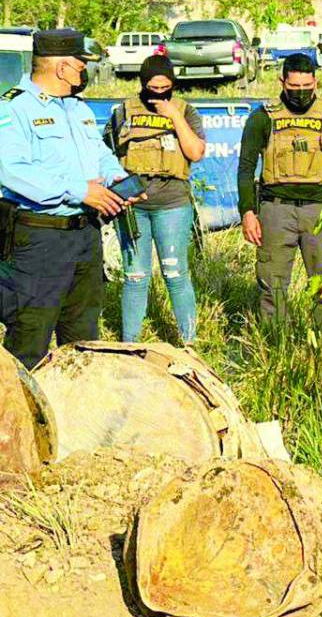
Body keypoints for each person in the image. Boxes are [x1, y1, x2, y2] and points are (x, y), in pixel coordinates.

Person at [0, 29, 139, 369]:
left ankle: (74, 416)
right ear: (62, 67)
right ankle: (17, 420)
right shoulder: (13, 108)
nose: (85, 72)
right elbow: (12, 170)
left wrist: (116, 179)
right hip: (40, 240)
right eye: (81, 64)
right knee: (29, 337)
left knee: (83, 340)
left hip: (85, 235)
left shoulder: (78, 109)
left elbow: (99, 154)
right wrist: (81, 190)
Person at [238, 53, 322, 330]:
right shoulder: (263, 117)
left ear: (315, 81)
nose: (301, 94)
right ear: (282, 81)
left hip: (319, 210)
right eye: (294, 88)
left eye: (307, 87)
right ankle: (278, 346)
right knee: (272, 285)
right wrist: (248, 212)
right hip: (275, 208)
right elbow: (246, 168)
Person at [104, 55, 206, 344]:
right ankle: (130, 343)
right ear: (143, 83)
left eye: (166, 86)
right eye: (153, 86)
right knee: (135, 277)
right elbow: (107, 155)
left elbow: (195, 152)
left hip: (172, 205)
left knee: (175, 274)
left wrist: (173, 115)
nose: (159, 92)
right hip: (133, 207)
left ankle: (189, 343)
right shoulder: (124, 111)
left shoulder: (186, 111)